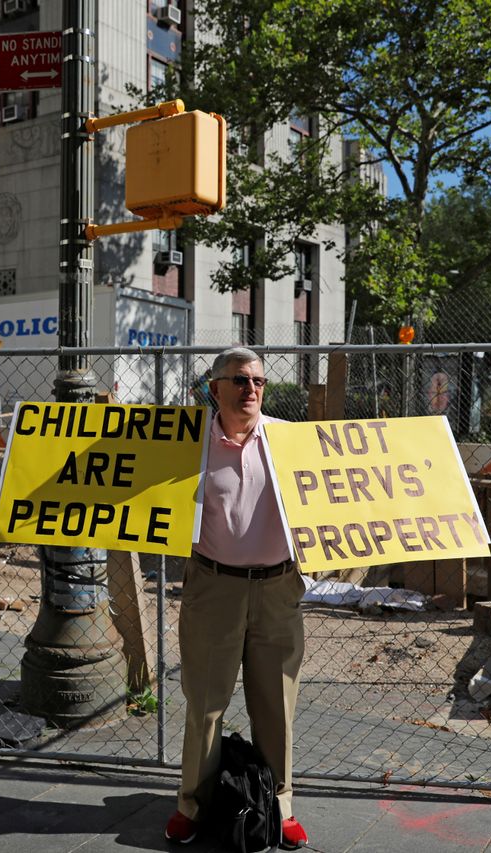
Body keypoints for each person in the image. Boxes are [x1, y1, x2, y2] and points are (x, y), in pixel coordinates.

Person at [165, 346, 309, 850]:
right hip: (213, 588)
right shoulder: (186, 443)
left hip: (277, 590)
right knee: (205, 705)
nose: (251, 390)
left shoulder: (289, 441)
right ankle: (193, 806)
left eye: (259, 382)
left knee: (276, 706)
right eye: (240, 381)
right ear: (215, 388)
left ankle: (280, 806)